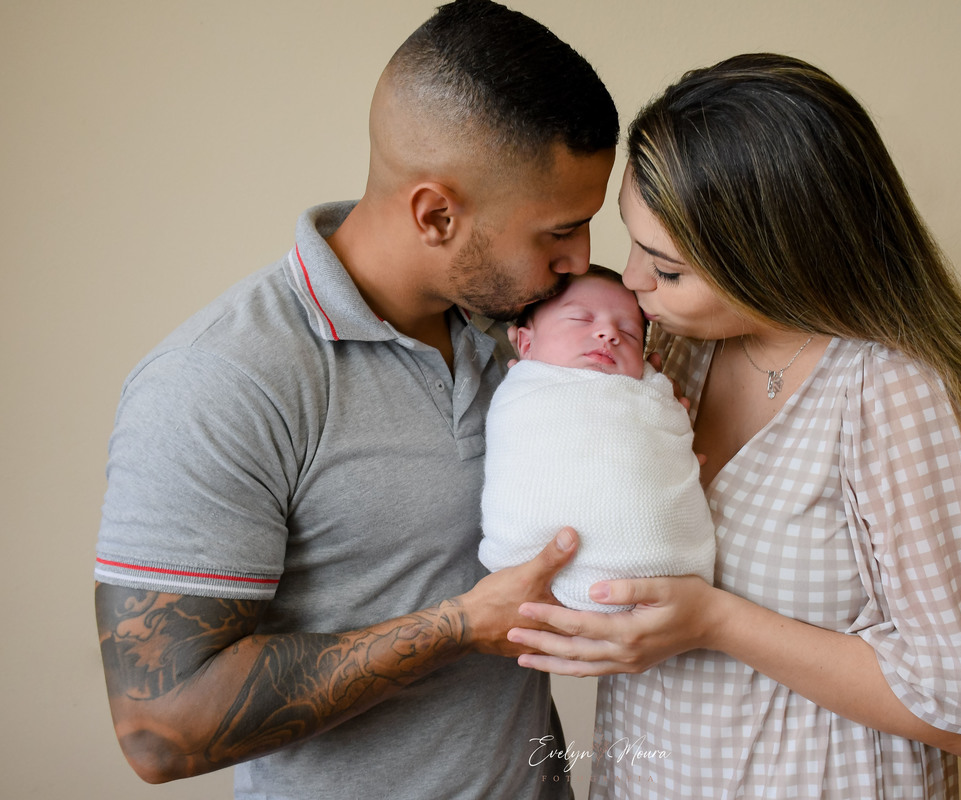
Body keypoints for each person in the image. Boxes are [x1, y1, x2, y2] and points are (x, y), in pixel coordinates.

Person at [92, 1, 617, 797]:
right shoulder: (220, 381)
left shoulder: (519, 331)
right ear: (436, 214)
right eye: (557, 232)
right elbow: (161, 729)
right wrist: (461, 626)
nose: (582, 260)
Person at [509, 53, 961, 799]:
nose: (631, 282)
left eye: (666, 270)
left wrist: (716, 623)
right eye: (632, 243)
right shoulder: (670, 352)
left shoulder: (897, 397)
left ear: (775, 259)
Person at [478, 266, 716, 612]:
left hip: (661, 581)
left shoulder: (651, 395)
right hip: (530, 576)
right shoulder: (523, 392)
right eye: (581, 319)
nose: (608, 333)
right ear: (527, 344)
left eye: (630, 333)